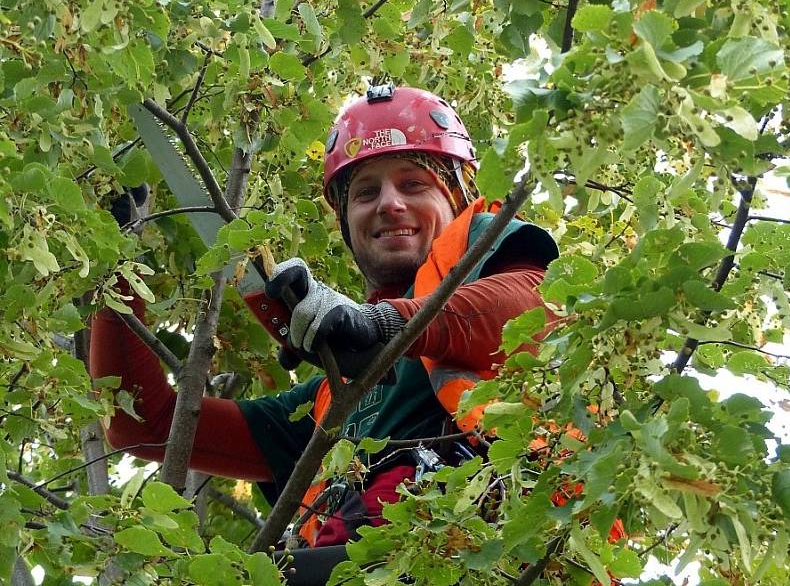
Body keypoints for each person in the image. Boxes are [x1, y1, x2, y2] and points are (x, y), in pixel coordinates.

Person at [90, 83, 558, 549]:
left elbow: (536, 306)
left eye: (413, 183)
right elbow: (144, 425)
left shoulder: (489, 254)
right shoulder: (327, 405)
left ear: (455, 199)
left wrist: (384, 323)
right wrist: (119, 269)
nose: (389, 203)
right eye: (365, 192)